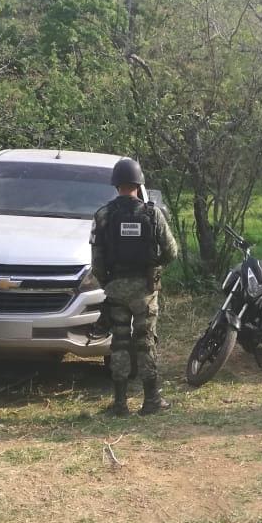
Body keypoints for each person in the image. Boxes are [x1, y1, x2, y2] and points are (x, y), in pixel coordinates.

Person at [90, 158, 178, 416]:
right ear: (139, 184)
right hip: (145, 291)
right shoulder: (152, 213)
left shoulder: (103, 215)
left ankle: (120, 404)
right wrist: (155, 266)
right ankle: (151, 401)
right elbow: (172, 251)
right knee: (146, 342)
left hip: (116, 290)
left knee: (119, 343)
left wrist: (108, 283)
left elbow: (97, 262)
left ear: (116, 184)